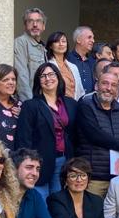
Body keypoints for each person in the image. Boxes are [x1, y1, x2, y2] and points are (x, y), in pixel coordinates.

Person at [14, 63, 77, 199]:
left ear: (58, 77)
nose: (47, 79)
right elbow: (23, 138)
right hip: (38, 163)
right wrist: (27, 164)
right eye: (43, 76)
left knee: (59, 202)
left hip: (64, 160)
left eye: (51, 74)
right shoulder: (30, 105)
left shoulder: (70, 103)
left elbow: (75, 133)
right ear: (38, 82)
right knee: (40, 201)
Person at [71, 69, 119, 198]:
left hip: (118, 178)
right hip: (93, 178)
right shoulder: (85, 106)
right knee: (92, 216)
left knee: (116, 217)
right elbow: (95, 136)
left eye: (114, 85)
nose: (109, 88)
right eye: (105, 83)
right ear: (96, 86)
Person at [13, 8, 47, 101]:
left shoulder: (43, 48)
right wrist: (29, 104)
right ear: (25, 25)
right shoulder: (21, 42)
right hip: (30, 101)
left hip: (41, 100)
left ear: (43, 26)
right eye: (30, 21)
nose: (35, 25)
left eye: (38, 21)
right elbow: (21, 76)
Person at [47, 31, 82, 101]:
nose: (61, 44)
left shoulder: (73, 67)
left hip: (75, 105)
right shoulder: (48, 66)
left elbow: (80, 91)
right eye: (57, 42)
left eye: (63, 41)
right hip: (57, 105)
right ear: (50, 46)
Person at [67, 25, 97, 95]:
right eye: (89, 37)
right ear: (78, 40)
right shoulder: (67, 59)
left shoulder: (93, 61)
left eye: (93, 38)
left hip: (89, 103)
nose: (93, 41)